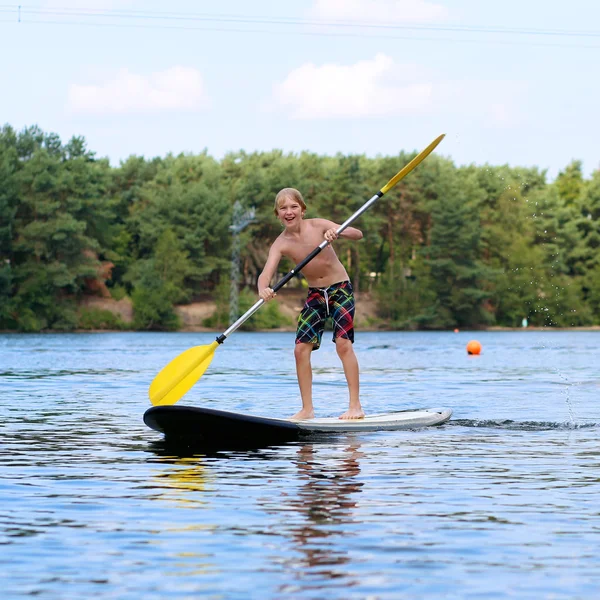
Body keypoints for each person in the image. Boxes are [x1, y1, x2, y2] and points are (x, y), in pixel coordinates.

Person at [258, 187, 365, 421]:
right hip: (315, 295)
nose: (289, 212)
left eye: (294, 207)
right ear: (277, 214)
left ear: (302, 210)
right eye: (283, 208)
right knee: (300, 349)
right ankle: (307, 409)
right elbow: (265, 274)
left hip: (340, 289)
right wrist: (263, 289)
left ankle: (355, 406)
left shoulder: (318, 226)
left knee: (343, 345)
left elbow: (357, 234)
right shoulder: (280, 244)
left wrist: (337, 232)